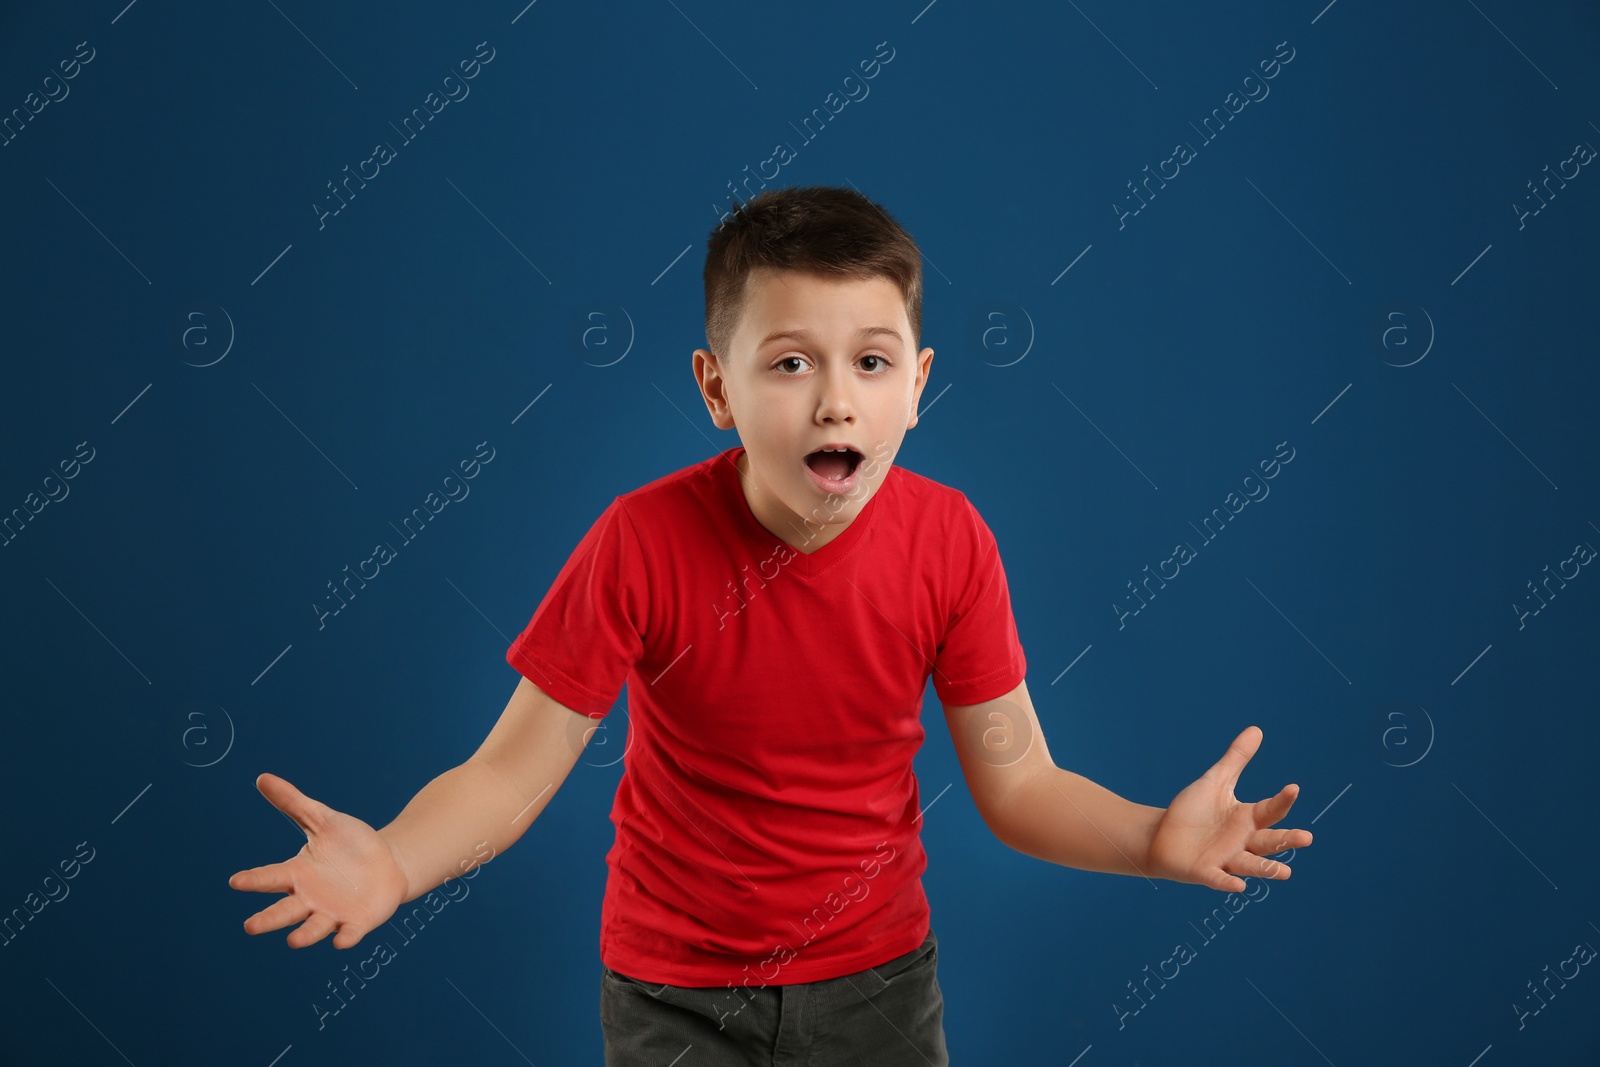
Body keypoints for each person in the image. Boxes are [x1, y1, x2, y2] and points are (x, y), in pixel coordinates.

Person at [229, 185, 1314, 1065]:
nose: (835, 400)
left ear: (918, 386)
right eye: (790, 362)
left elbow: (1020, 784)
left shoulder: (950, 542)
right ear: (716, 387)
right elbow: (511, 772)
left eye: (871, 362)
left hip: (877, 986)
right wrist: (397, 865)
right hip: (672, 995)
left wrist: (1149, 841)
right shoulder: (639, 541)